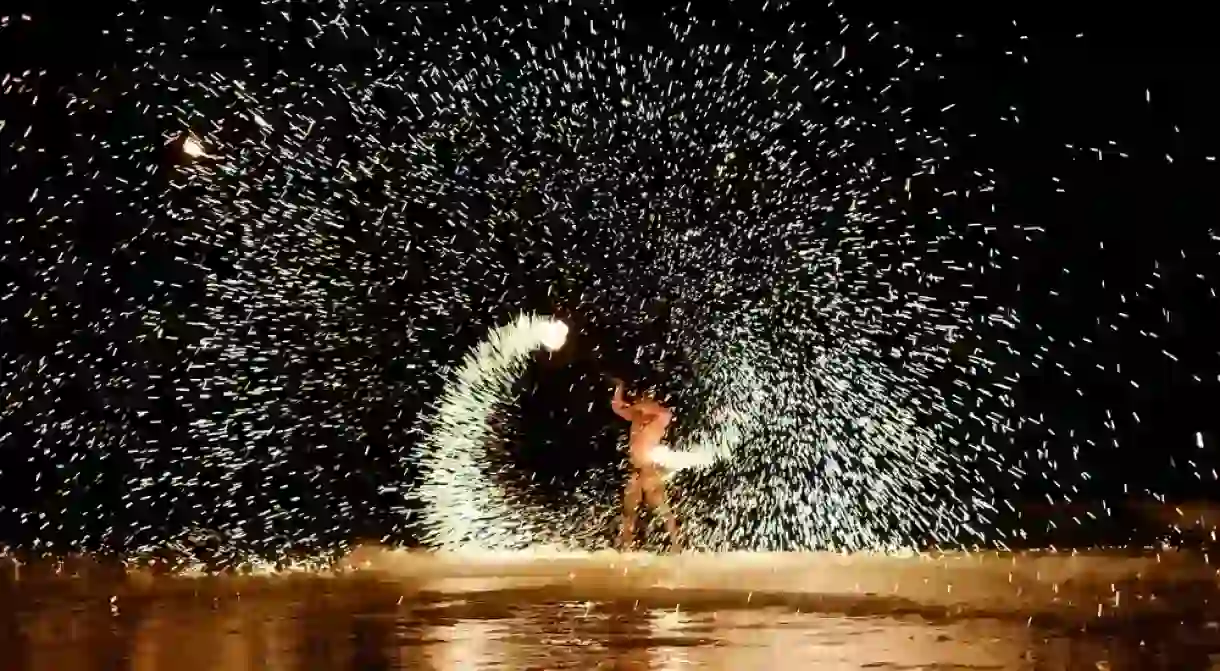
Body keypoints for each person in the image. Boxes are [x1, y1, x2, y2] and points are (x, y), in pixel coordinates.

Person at [610, 378, 681, 551]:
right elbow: (616, 406)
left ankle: (676, 546)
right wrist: (619, 387)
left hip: (650, 469)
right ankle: (626, 547)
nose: (640, 399)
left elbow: (663, 412)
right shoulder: (636, 415)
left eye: (645, 397)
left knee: (664, 510)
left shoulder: (660, 417)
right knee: (629, 512)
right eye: (641, 396)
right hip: (635, 469)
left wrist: (640, 405)